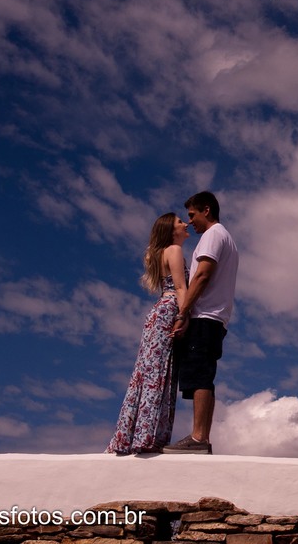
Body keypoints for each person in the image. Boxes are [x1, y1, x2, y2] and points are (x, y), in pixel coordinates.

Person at [107, 212, 189, 454]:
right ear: (171, 231)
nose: (185, 225)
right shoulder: (174, 250)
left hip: (158, 312)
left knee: (149, 371)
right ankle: (147, 437)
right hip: (169, 311)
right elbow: (181, 287)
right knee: (159, 373)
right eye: (180, 222)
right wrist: (184, 317)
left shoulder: (159, 253)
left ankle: (136, 435)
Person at [163, 190, 239, 454]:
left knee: (200, 376)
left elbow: (202, 276)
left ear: (206, 210)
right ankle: (201, 437)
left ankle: (198, 438)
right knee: (202, 375)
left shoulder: (213, 235)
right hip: (213, 319)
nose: (190, 221)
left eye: (192, 215)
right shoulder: (223, 237)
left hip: (205, 317)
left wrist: (183, 312)